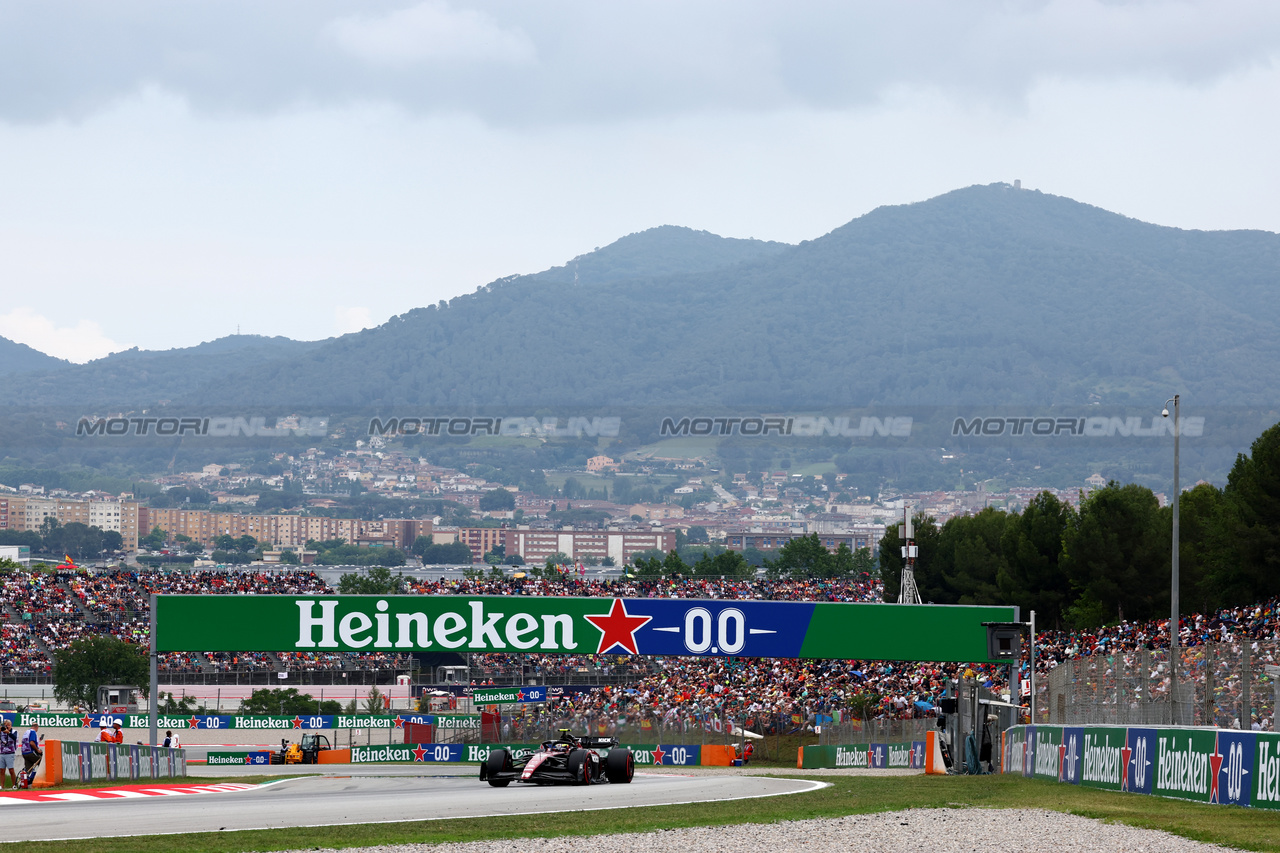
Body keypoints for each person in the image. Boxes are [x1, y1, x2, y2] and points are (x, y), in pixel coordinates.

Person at [0, 720, 16, 789]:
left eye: (8, 725)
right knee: (2, 770)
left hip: (10, 753)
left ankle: (14, 785)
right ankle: (1, 786)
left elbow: (15, 738)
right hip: (2, 753)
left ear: (11, 725)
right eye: (6, 725)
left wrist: (8, 732)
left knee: (11, 770)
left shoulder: (14, 731)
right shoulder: (1, 732)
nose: (7, 727)